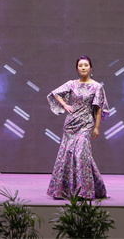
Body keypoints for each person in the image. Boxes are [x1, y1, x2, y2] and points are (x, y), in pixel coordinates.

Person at [46, 56, 110, 199]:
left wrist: (97, 127)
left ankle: (84, 191)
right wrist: (65, 105)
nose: (83, 67)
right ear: (77, 68)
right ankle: (64, 190)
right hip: (71, 124)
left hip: (86, 124)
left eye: (86, 65)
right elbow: (55, 93)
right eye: (80, 65)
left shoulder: (97, 86)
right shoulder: (72, 84)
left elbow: (99, 107)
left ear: (91, 68)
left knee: (81, 154)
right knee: (68, 154)